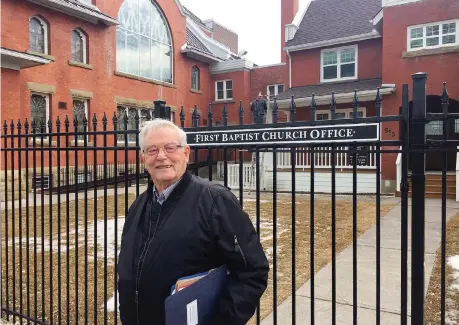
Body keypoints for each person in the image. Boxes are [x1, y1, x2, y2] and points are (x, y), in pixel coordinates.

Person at [117, 118, 269, 325]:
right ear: (143, 158)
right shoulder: (138, 206)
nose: (161, 156)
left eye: (170, 148)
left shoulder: (215, 201)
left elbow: (251, 271)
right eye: (152, 150)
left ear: (186, 153)